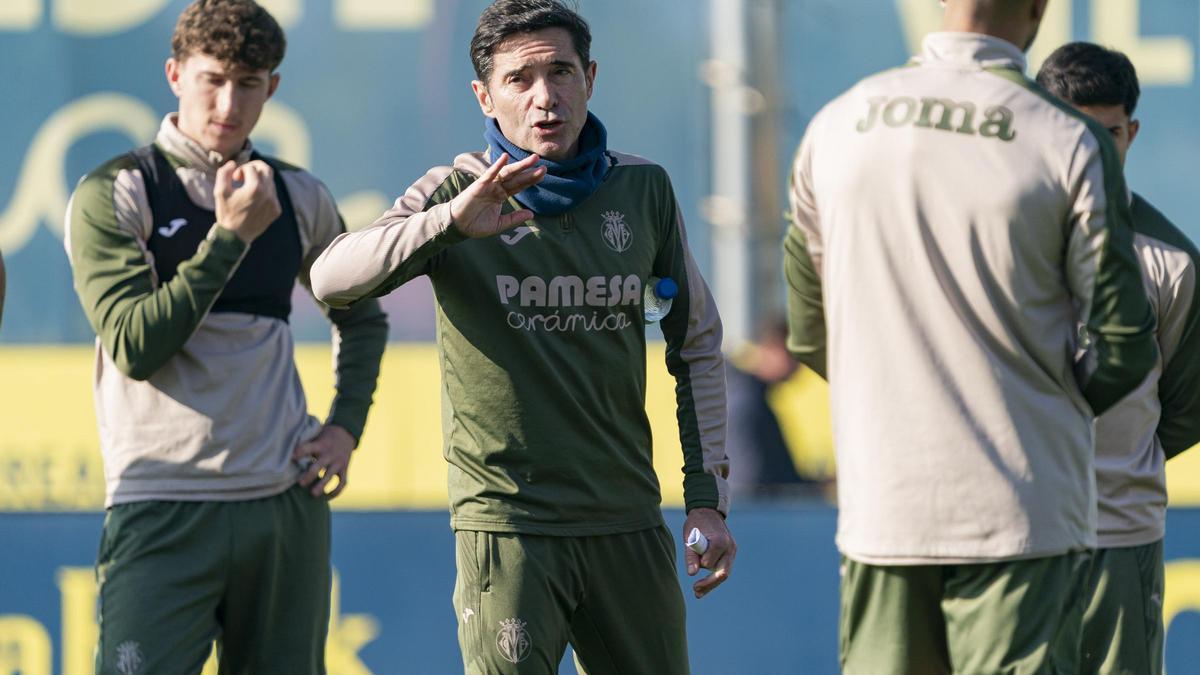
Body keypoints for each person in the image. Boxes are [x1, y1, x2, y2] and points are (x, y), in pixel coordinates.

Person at [310, 1, 733, 671]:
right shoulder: (454, 191)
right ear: (485, 96)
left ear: (589, 78)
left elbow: (697, 345)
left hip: (626, 520)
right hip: (509, 529)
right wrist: (451, 222)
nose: (544, 96)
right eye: (519, 79)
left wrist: (708, 500)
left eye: (560, 72)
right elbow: (330, 278)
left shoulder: (643, 188)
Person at [784, 0, 1160, 672]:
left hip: (884, 506)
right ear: (1039, 9)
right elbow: (1125, 342)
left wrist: (899, 402)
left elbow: (810, 331)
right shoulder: (1070, 139)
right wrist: (1053, 414)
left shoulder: (835, 125)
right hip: (1025, 514)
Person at [63, 1, 388, 672]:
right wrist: (230, 237)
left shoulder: (297, 195)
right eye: (212, 80)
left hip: (283, 503)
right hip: (161, 501)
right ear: (175, 74)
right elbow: (134, 344)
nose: (228, 104)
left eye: (248, 84)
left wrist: (345, 426)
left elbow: (361, 315)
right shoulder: (117, 190)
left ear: (272, 88)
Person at [1037, 41, 1200, 675]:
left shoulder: (1172, 261)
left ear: (1131, 133)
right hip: (1008, 534)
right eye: (1073, 132)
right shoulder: (995, 238)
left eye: (1107, 135)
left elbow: (1183, 407)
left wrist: (1113, 462)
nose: (1091, 152)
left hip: (1119, 535)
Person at [724, 318, 823, 499]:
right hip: (752, 513)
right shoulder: (747, 401)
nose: (800, 364)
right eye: (795, 354)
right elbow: (749, 485)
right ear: (772, 348)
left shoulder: (749, 395)